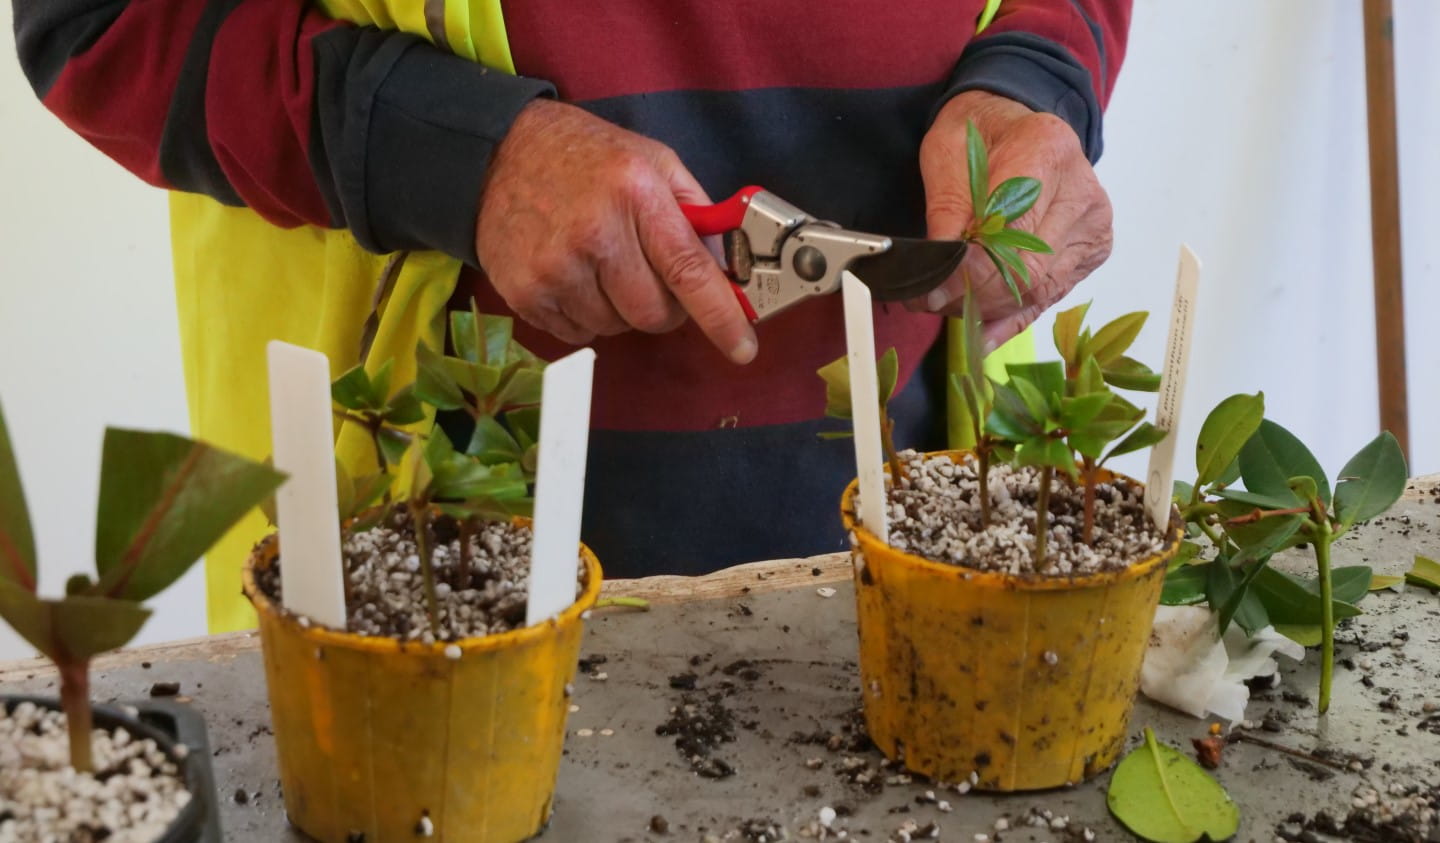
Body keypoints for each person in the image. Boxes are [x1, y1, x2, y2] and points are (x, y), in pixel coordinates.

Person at [14, 0, 1126, 632]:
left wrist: (1035, 78)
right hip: (401, 547)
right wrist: (458, 154)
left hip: (919, 531)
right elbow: (95, 23)